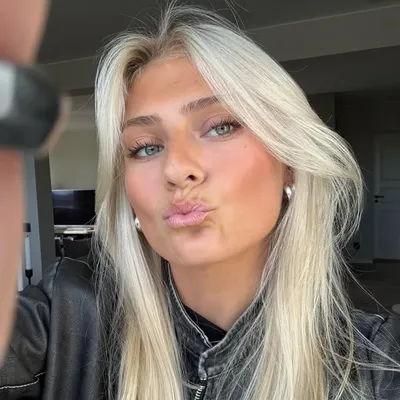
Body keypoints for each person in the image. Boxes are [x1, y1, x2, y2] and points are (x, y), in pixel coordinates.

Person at [0, 2, 400, 400]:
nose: (177, 169)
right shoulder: (64, 317)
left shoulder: (377, 368)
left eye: (220, 127)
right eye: (145, 147)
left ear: (289, 164)